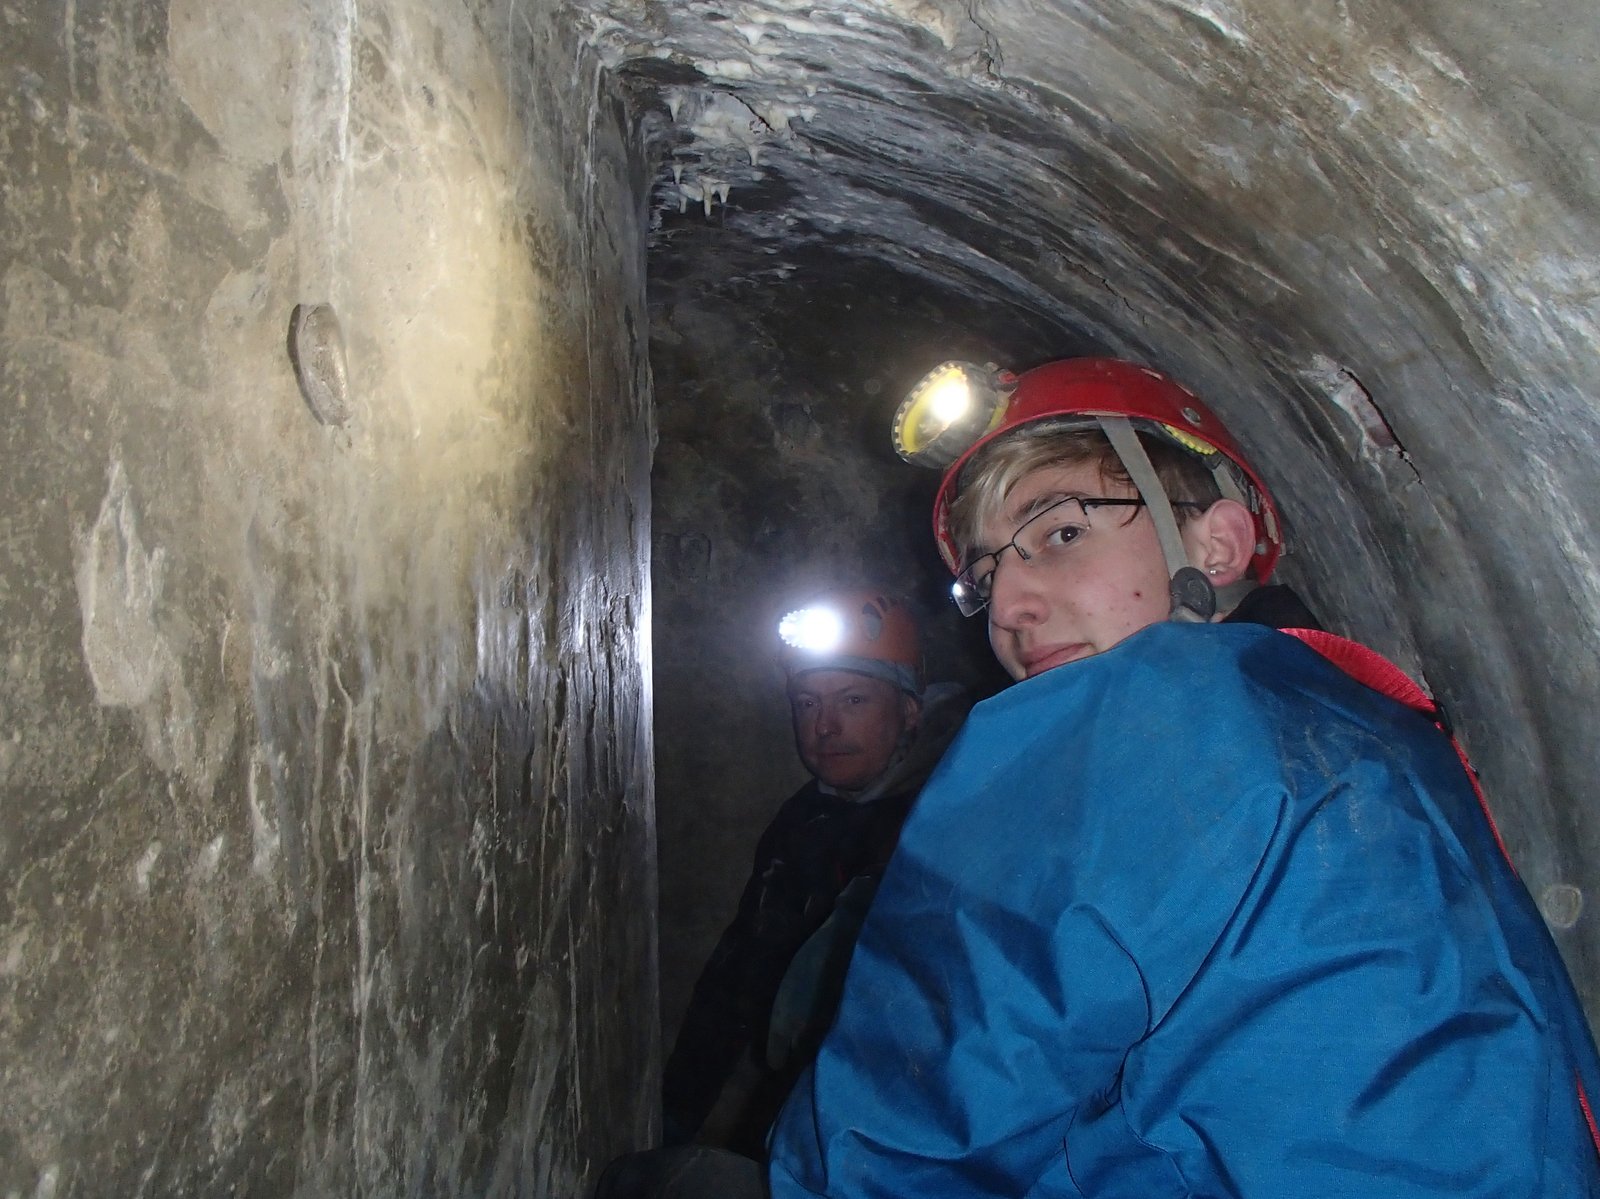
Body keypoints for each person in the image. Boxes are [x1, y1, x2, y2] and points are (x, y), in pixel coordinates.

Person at [765, 357, 1600, 1197]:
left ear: (1217, 544)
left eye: (1061, 534)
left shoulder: (1142, 718)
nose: (1009, 605)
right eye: (985, 578)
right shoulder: (1381, 730)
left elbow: (896, 1138)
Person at [597, 588, 969, 1198]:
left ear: (909, 711)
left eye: (852, 700)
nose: (824, 726)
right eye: (806, 703)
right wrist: (677, 1113)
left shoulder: (954, 819)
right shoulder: (808, 822)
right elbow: (738, 978)